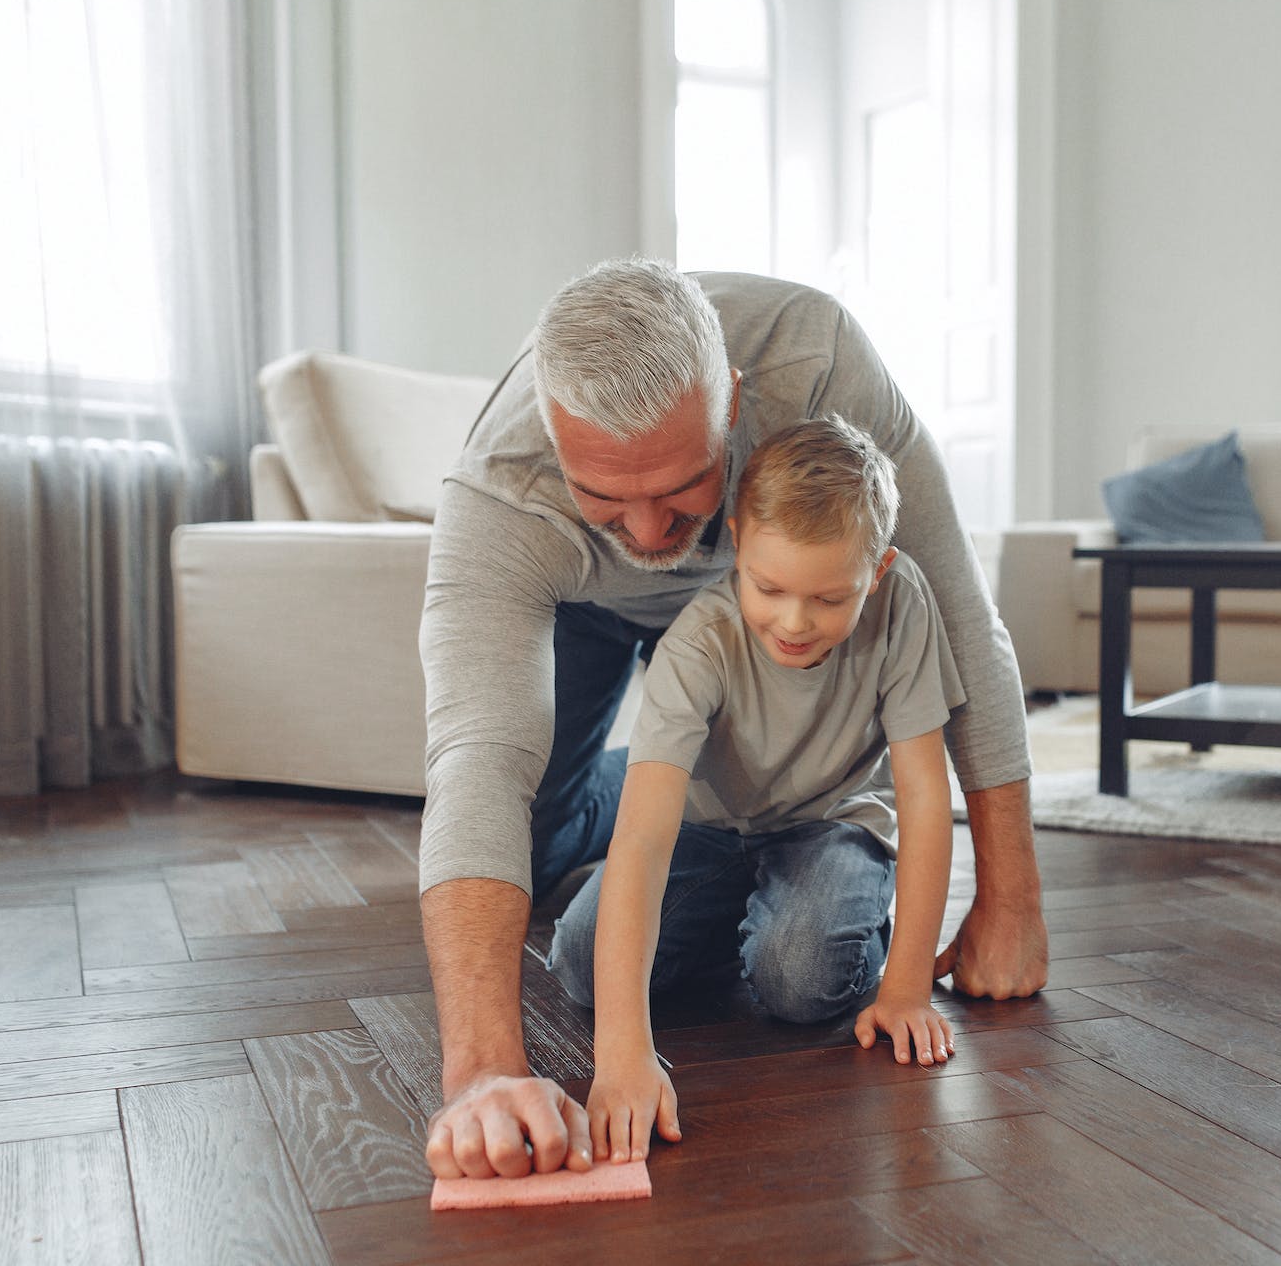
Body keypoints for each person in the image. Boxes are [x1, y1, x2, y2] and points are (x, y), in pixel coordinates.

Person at [418, 257, 1046, 1182]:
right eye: (604, 494)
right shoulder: (498, 496)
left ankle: (717, 795)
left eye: (679, 484)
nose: (644, 530)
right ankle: (630, 779)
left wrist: (1012, 901)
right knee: (532, 836)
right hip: (587, 607)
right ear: (555, 445)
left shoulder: (818, 364)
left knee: (797, 952)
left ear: (737, 406)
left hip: (757, 591)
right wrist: (482, 1074)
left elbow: (960, 618)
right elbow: (475, 756)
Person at [546, 417, 960, 1164]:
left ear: (879, 569)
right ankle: (742, 919)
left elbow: (926, 797)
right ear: (737, 543)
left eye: (831, 599)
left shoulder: (904, 606)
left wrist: (905, 987)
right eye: (769, 588)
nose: (795, 622)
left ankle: (835, 923)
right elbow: (641, 840)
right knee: (579, 963)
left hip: (830, 825)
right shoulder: (700, 644)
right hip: (708, 831)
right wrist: (623, 1054)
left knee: (800, 984)